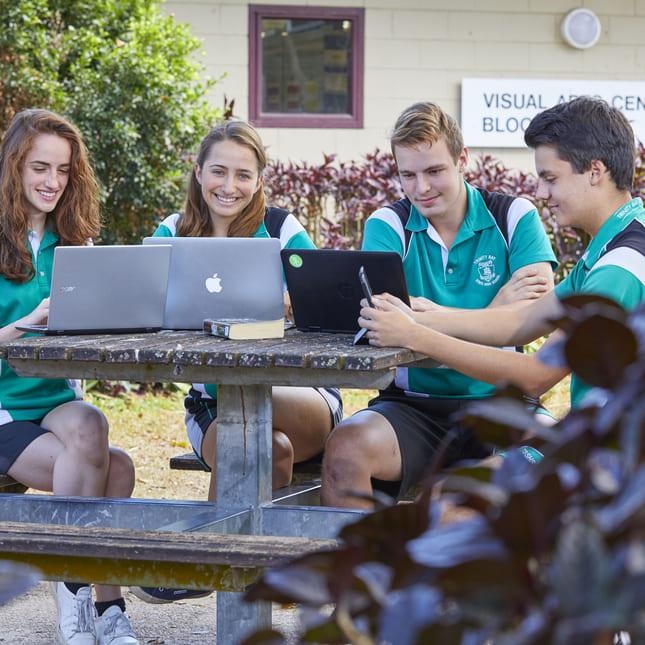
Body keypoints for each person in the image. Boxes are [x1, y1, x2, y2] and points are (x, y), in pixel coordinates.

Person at [132, 119, 343, 604]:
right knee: (270, 449)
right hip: (211, 403)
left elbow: (323, 299)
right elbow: (142, 311)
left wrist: (291, 301)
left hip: (300, 395)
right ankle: (255, 571)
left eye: (244, 175)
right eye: (219, 172)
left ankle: (202, 556)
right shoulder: (172, 232)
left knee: (253, 421)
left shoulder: (281, 228)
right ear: (198, 172)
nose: (230, 187)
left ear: (260, 179)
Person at [357, 97, 645, 440]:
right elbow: (524, 321)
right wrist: (420, 317)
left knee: (463, 492)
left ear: (595, 172)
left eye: (550, 178)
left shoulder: (620, 266)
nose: (540, 192)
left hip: (621, 460)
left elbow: (539, 374)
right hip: (610, 445)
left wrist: (415, 334)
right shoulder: (613, 245)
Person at [321, 101, 558, 509]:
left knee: (551, 454)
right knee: (345, 449)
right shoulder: (387, 225)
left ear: (462, 160)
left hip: (504, 402)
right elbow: (385, 321)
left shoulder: (515, 216)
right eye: (407, 175)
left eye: (434, 171)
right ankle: (363, 573)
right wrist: (496, 311)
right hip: (414, 407)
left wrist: (425, 321)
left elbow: (538, 317)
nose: (421, 189)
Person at [0, 109, 139, 644]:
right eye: (40, 167)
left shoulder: (74, 244)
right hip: (4, 407)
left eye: (63, 170)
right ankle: (95, 609)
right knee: (117, 471)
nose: (52, 182)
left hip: (53, 400)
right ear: (14, 166)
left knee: (92, 426)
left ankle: (85, 605)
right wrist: (27, 323)